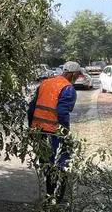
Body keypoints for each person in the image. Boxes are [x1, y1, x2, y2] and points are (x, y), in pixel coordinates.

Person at [27, 61, 80, 202]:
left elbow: (31, 107)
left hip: (39, 132)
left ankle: (50, 195)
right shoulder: (68, 88)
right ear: (72, 73)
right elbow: (62, 113)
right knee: (60, 165)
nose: (78, 77)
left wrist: (31, 128)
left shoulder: (45, 83)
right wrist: (65, 134)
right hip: (54, 133)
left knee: (47, 164)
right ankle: (57, 199)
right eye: (77, 74)